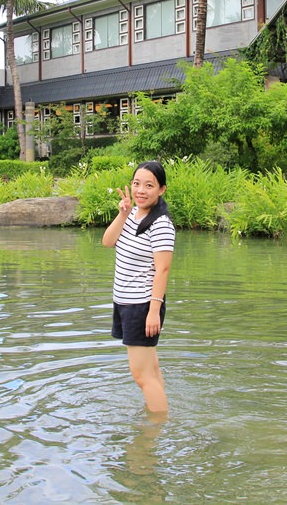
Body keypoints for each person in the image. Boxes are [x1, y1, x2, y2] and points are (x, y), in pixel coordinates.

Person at [102, 160, 174, 414]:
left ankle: (155, 430)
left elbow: (163, 270)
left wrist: (154, 311)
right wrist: (122, 213)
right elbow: (108, 242)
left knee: (141, 375)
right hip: (124, 302)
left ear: (161, 190)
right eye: (136, 184)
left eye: (149, 185)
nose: (141, 190)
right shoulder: (132, 214)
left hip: (142, 305)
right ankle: (158, 415)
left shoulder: (161, 225)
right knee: (150, 370)